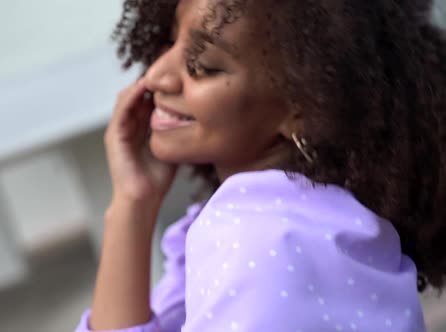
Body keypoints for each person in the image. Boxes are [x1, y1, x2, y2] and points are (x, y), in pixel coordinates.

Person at [75, 0, 446, 331]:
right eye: (171, 41)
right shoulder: (301, 225)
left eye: (203, 66)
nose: (156, 75)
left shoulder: (258, 243)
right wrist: (132, 202)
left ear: (306, 105)